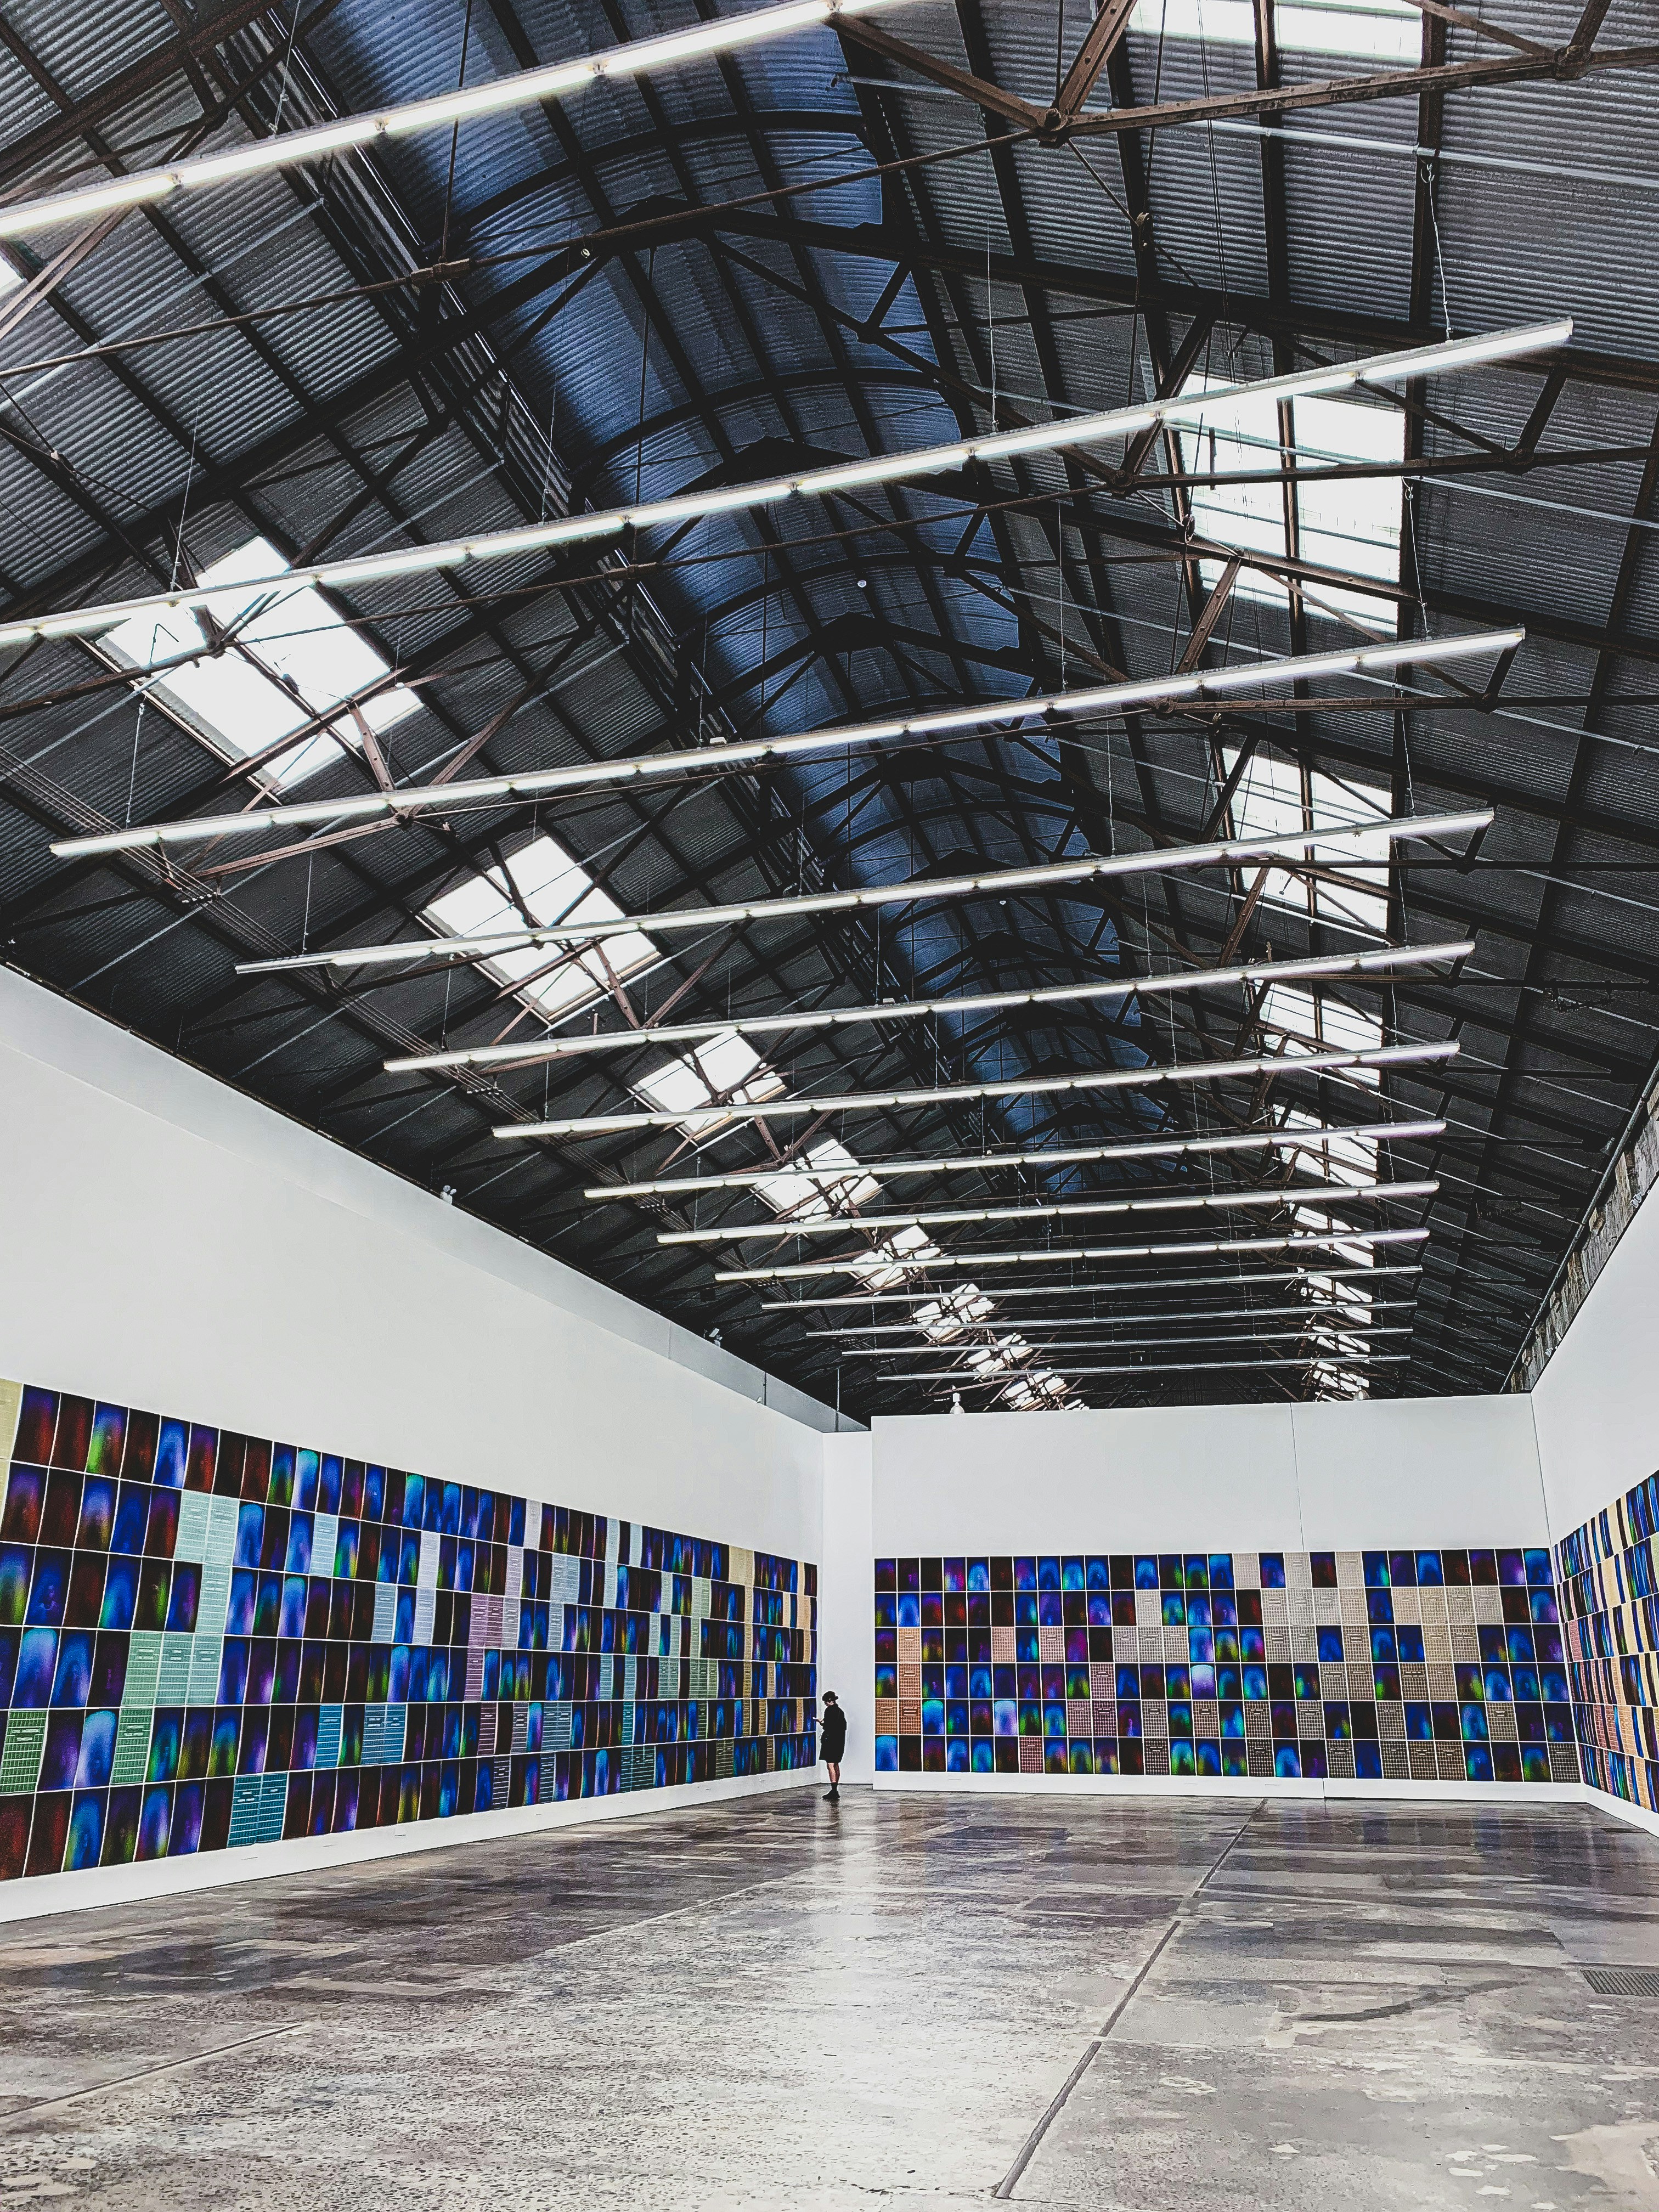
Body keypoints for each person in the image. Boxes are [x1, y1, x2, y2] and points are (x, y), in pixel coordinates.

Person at [819, 1690, 847, 1801]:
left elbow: (829, 1726)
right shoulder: (840, 1711)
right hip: (839, 1742)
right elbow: (843, 1726)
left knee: (830, 1765)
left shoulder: (830, 1711)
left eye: (826, 1701)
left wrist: (821, 1723)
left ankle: (834, 1790)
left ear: (829, 1701)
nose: (825, 1703)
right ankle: (835, 1789)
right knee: (836, 1765)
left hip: (831, 1742)